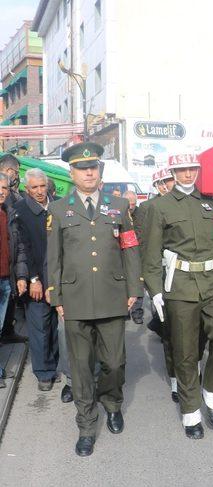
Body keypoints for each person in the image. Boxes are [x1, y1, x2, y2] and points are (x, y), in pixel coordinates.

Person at [47, 142, 143, 457]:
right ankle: (86, 425)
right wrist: (56, 295)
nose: (89, 172)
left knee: (114, 362)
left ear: (99, 170)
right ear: (72, 173)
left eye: (93, 167)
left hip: (112, 295)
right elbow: (54, 258)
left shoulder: (118, 206)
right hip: (74, 300)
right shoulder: (59, 210)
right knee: (81, 367)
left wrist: (134, 289)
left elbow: (129, 247)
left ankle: (112, 402)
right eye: (82, 168)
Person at [143, 153, 213, 439]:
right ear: (173, 172)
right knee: (186, 350)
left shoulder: (212, 203)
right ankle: (190, 410)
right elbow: (150, 254)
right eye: (182, 170)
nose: (188, 174)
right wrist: (155, 291)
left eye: (192, 169)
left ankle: (211, 390)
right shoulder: (159, 206)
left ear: (199, 171)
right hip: (181, 284)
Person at [14, 169, 61, 391]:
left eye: (42, 186)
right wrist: (32, 278)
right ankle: (44, 372)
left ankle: (54, 365)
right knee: (40, 325)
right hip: (37, 278)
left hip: (60, 276)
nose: (39, 191)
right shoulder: (21, 210)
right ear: (27, 189)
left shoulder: (59, 206)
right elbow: (23, 248)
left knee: (55, 325)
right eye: (34, 188)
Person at [136, 168, 179, 401]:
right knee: (169, 327)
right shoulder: (147, 208)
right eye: (168, 181)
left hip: (185, 274)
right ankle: (175, 378)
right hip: (161, 271)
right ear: (159, 184)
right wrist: (145, 278)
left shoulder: (187, 203)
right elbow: (143, 243)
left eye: (173, 180)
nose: (172, 185)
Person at [0, 173, 26, 387]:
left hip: (5, 280)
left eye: (5, 188)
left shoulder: (8, 213)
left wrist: (19, 276)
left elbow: (17, 248)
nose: (1, 191)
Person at [122, 191, 144, 324]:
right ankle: (124, 310)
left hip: (138, 254)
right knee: (124, 284)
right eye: (128, 204)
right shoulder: (119, 213)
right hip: (123, 254)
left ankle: (137, 313)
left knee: (138, 284)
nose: (131, 206)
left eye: (133, 204)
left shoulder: (142, 214)